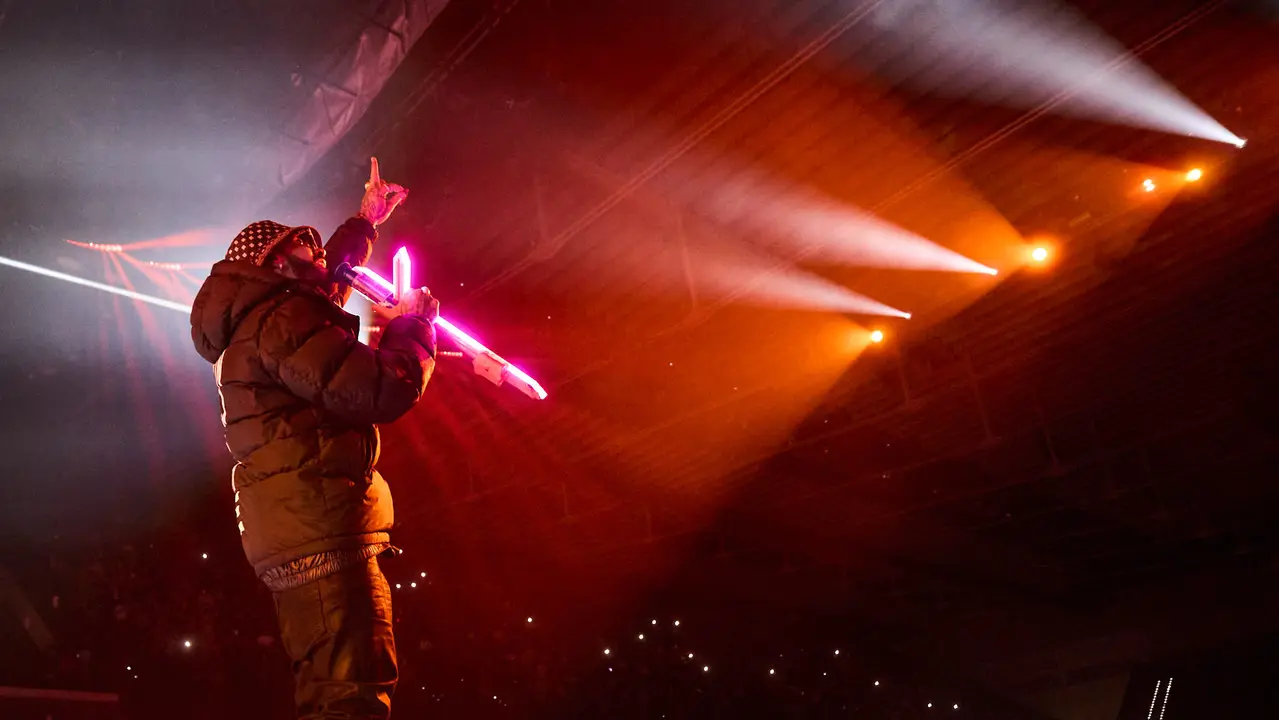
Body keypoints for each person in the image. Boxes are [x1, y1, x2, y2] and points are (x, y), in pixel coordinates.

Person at [190, 158, 435, 719]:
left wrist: (366, 220)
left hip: (302, 534)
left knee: (337, 695)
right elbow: (380, 390)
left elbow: (327, 283)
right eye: (306, 249)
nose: (322, 255)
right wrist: (414, 327)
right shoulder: (280, 321)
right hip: (323, 533)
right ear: (275, 264)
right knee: (350, 699)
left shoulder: (262, 322)